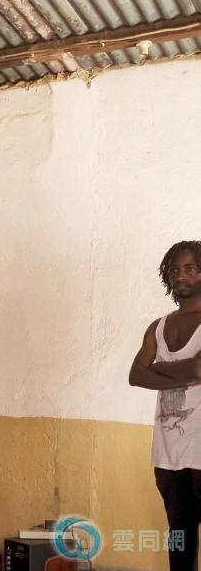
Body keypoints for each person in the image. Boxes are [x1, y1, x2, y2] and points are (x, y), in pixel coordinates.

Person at [130, 240, 201, 571]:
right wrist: (188, 372)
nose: (181, 276)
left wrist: (157, 369)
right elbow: (135, 375)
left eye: (191, 268)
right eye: (175, 270)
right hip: (168, 453)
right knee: (178, 532)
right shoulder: (158, 327)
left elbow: (199, 369)